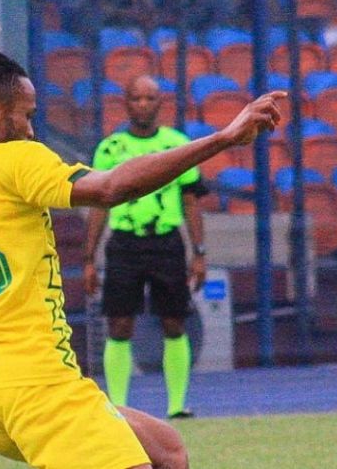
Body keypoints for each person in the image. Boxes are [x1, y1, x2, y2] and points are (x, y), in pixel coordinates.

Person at [0, 39, 286, 468]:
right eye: (25, 115)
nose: (30, 127)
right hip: (34, 382)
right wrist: (224, 138)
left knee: (167, 451)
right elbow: (111, 187)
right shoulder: (18, 160)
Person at [81, 76, 207, 421]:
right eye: (136, 98)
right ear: (126, 103)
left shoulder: (176, 144)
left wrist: (199, 251)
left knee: (174, 322)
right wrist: (89, 258)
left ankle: (177, 405)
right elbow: (98, 205)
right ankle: (118, 407)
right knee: (119, 324)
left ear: (160, 103)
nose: (143, 104)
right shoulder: (110, 148)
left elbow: (192, 202)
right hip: (124, 244)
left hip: (167, 243)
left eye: (150, 98)